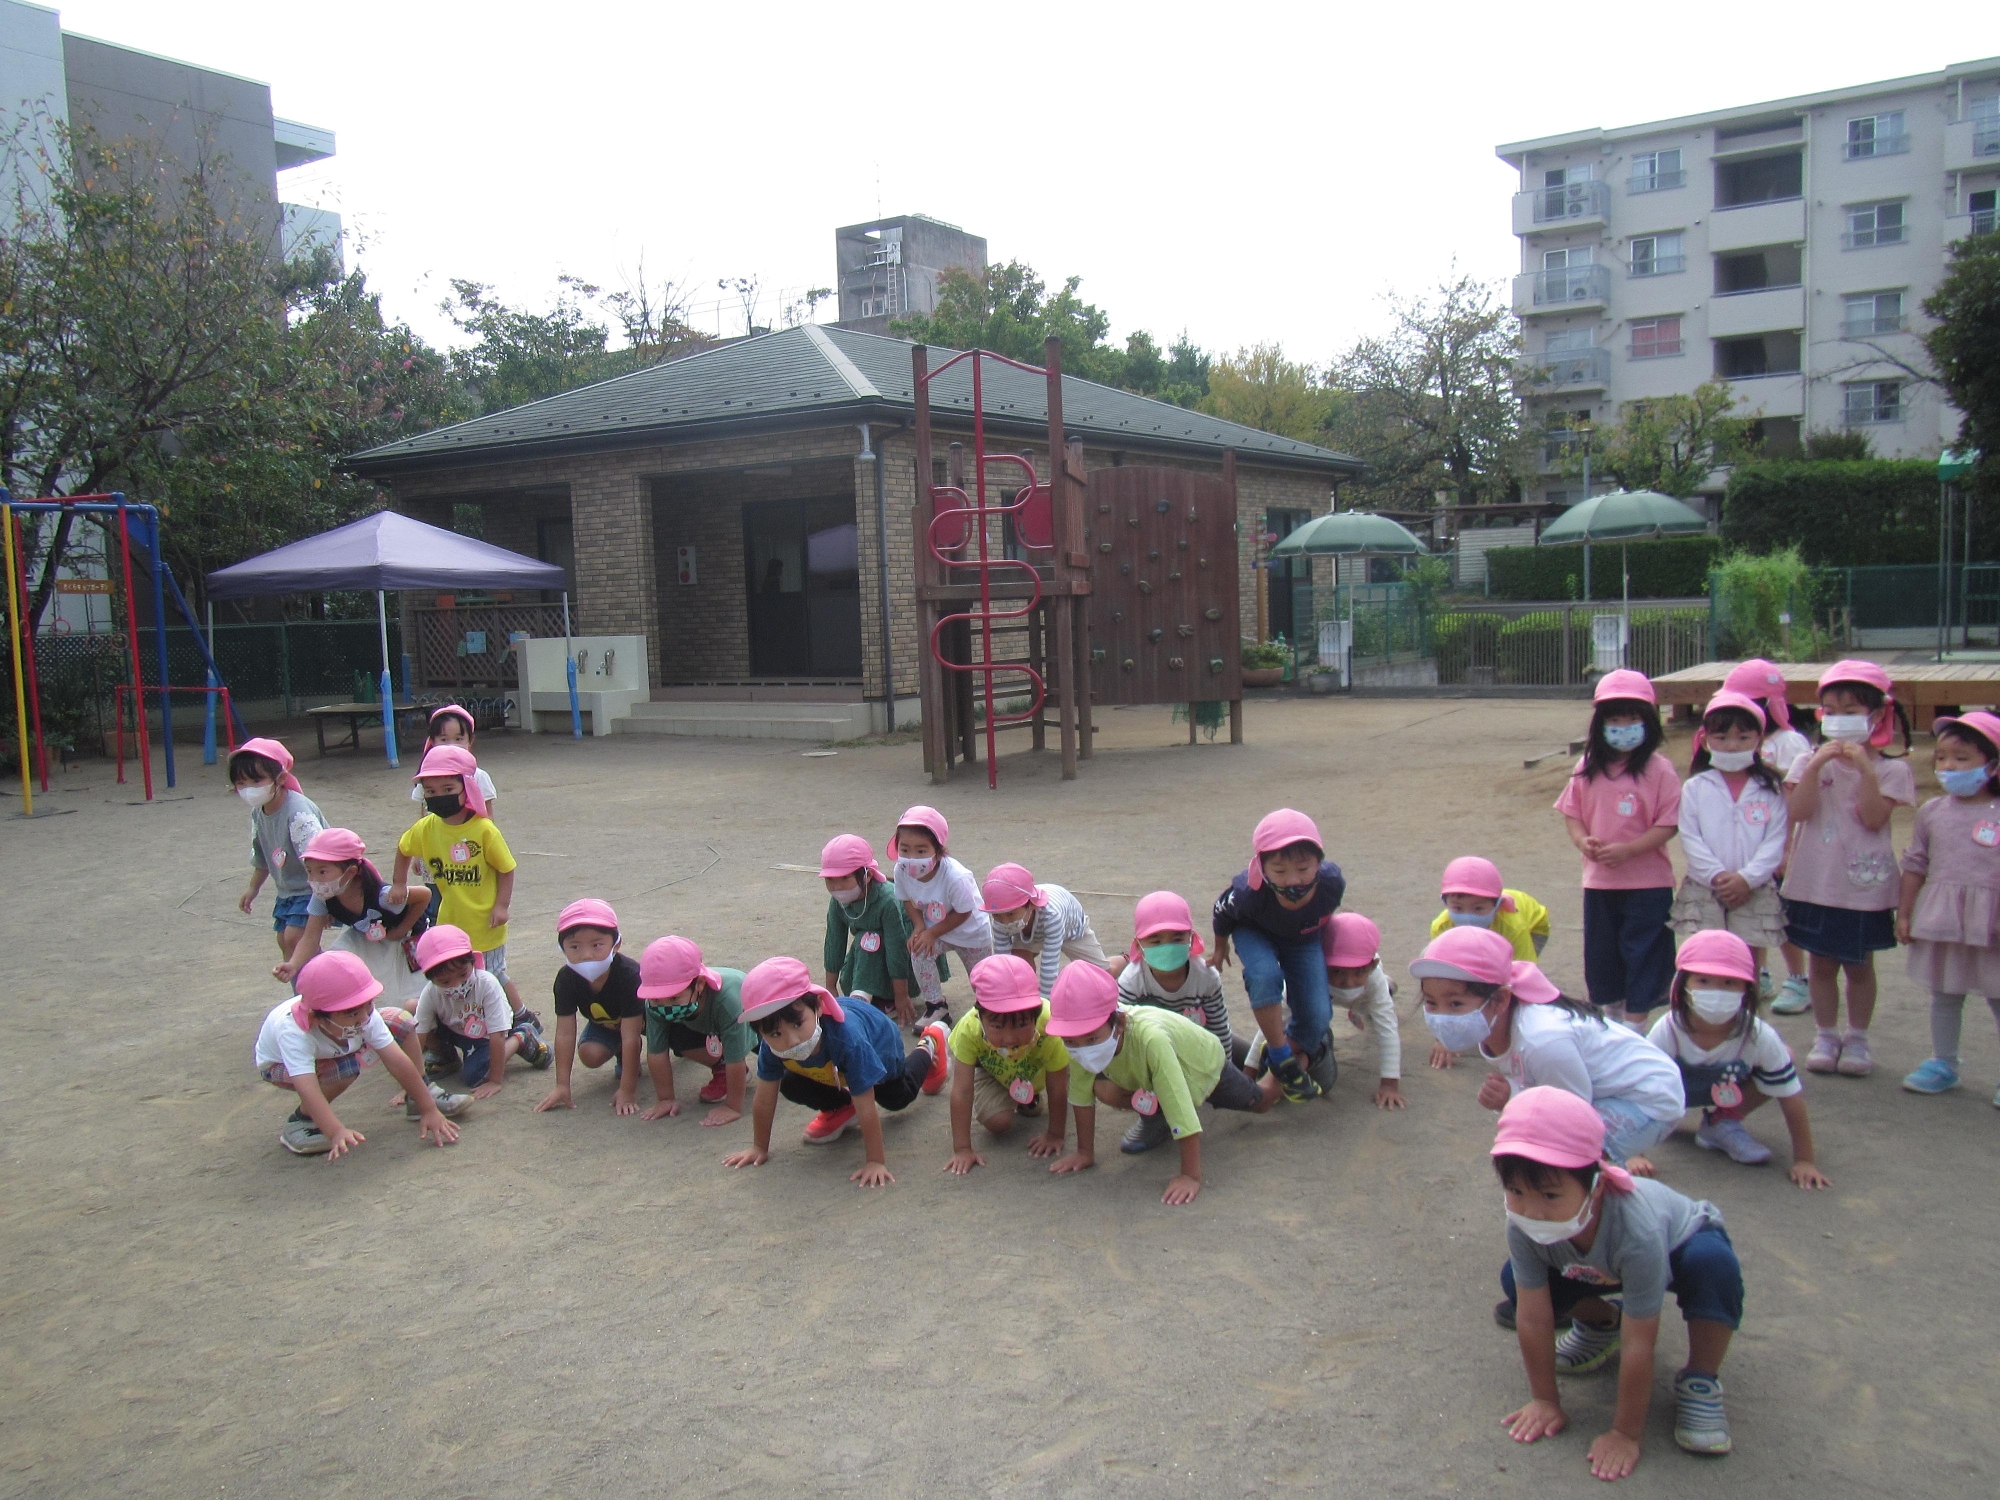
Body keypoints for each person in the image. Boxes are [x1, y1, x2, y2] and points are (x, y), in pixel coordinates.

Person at [1493, 1087, 1743, 1476]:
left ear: (1598, 1186)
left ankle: (1700, 1379)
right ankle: (1601, 1322)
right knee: (1518, 1281)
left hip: (1681, 1244)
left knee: (1714, 1267)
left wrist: (1625, 1433)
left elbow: (1640, 1340)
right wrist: (1544, 1399)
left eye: (1550, 1194)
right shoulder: (1523, 1225)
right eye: (1515, 1191)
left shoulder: (1636, 1232)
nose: (1532, 1210)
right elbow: (1533, 1318)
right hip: (1593, 1264)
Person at [1414, 926, 1682, 1169]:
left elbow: (1571, 1111)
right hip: (1607, 1090)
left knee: (1568, 1155)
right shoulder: (1500, 1023)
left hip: (1648, 1098)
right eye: (1431, 1003)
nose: (1441, 1016)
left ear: (1500, 1000)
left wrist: (1512, 1096)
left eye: (1456, 1004)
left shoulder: (1542, 1039)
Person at [1780, 660, 1916, 1077]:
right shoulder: (1808, 762)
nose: (1840, 720)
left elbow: (1873, 818)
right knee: (1820, 964)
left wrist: (1866, 771)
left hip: (1862, 886)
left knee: (1859, 965)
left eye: (1852, 711)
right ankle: (1826, 1033)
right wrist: (1817, 765)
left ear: (1876, 716)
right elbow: (1798, 811)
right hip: (1814, 882)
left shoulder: (1893, 768)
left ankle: (1857, 1037)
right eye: (1831, 711)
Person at [1046, 962, 1279, 1207]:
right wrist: (1085, 1152)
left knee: (1261, 1101)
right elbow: (1081, 1094)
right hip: (1156, 1072)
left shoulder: (1151, 1040)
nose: (1082, 1047)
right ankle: (1158, 1119)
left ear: (1120, 1023)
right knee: (1105, 1089)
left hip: (1204, 1067)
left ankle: (1292, 1056)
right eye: (1070, 1040)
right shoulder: (1081, 1041)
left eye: (1092, 1038)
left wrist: (1190, 1175)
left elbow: (1178, 1101)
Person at [721, 957, 949, 1185]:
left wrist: (875, 1161)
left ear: (818, 1006)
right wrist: (759, 1147)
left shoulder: (848, 1040)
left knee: (897, 1097)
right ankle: (841, 1108)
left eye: (798, 1024)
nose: (791, 1040)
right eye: (775, 1034)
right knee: (790, 1083)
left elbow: (867, 1104)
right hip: (832, 1067)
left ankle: (929, 1044)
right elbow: (764, 1098)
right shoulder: (772, 1048)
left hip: (879, 1044)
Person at [1646, 930, 1828, 1187]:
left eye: (1729, 983)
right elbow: (1640, 1087)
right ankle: (1664, 1120)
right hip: (1672, 1095)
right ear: (1683, 985)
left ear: (1747, 988)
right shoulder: (1669, 1029)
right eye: (1703, 981)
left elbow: (1790, 1097)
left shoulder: (1757, 1034)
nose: (1716, 991)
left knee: (1781, 1060)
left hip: (1729, 1090)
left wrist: (1805, 1160)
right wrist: (1633, 1153)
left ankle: (1722, 1122)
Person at [1555, 669, 1680, 1027]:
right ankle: (1611, 1020)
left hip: (1648, 883)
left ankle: (1636, 1025)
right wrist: (1583, 841)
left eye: (1633, 719)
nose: (1623, 727)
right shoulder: (1587, 767)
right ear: (1600, 723)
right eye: (1614, 719)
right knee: (1603, 955)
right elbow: (1572, 813)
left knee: (1644, 953)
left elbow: (1668, 823)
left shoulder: (1660, 770)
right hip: (1600, 883)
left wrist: (1631, 850)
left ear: (1649, 722)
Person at [253, 950, 465, 1157]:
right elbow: (306, 1087)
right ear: (316, 1017)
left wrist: (428, 1109)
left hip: (341, 1042)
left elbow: (397, 1060)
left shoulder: (360, 1013)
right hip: (280, 1066)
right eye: (353, 1012)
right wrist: (335, 1131)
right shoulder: (294, 1032)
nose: (365, 1017)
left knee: (400, 1021)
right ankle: (301, 1121)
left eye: (369, 1005)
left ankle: (418, 1096)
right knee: (344, 1069)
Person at [1896, 711, 2000, 1103]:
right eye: (1942, 758)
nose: (1949, 767)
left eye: (1962, 758)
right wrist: (1904, 913)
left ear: (1992, 765)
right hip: (1945, 921)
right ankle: (1944, 1062)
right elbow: (1915, 865)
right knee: (1945, 992)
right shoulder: (1933, 812)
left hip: (1993, 922)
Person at [1211, 808, 1345, 1103]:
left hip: (1302, 938)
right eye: (1280, 871)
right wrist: (1220, 947)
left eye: (1303, 868)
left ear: (1319, 863)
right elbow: (1222, 909)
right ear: (1261, 867)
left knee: (1318, 1015)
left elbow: (1324, 917)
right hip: (1254, 930)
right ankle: (1283, 1058)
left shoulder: (1332, 884)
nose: (1292, 880)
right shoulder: (1249, 893)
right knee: (1264, 975)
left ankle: (1277, 1054)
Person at [388, 744, 527, 1026]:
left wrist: (501, 905)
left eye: (447, 789)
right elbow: (404, 848)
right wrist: (399, 883)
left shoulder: (484, 829)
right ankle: (471, 1025)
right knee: (456, 977)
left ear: (466, 788)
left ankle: (519, 1016)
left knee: (492, 974)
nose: (438, 797)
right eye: (430, 791)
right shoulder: (427, 827)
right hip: (450, 922)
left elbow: (506, 868)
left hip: (486, 922)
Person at [1669, 692, 1790, 989]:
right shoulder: (1696, 787)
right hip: (1705, 886)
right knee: (1707, 955)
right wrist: (1718, 876)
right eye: (1721, 737)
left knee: (1748, 958)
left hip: (1754, 888)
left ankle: (1746, 1015)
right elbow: (1690, 836)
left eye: (1743, 737)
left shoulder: (1771, 789)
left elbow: (1775, 840)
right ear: (1706, 739)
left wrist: (1747, 879)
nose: (1732, 745)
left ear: (1759, 740)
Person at [1116, 890, 1240, 1153]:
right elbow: (1126, 1039)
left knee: (1249, 1092)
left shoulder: (1205, 976)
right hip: (1154, 1050)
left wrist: (1222, 1072)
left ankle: (1268, 1062)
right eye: (1155, 940)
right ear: (1138, 945)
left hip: (1200, 1043)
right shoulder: (1131, 980)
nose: (1167, 946)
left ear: (1192, 938)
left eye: (1177, 938)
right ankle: (1154, 1118)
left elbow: (1218, 1025)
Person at [1723, 659, 1814, 1009]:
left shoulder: (1788, 742)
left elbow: (1791, 800)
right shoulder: (1739, 742)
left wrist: (1786, 849)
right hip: (1747, 846)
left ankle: (1798, 978)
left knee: (1782, 917)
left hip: (1775, 847)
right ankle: (1758, 972)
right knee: (1752, 915)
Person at [941, 955, 1071, 1174]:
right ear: (980, 1016)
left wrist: (1055, 1134)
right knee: (998, 1122)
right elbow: (962, 1091)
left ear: (1035, 1013)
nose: (1010, 1038)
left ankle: (1028, 1098)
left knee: (1051, 1092)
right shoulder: (968, 1029)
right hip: (992, 1072)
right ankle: (1022, 1098)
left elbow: (1058, 1089)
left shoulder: (1052, 1024)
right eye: (998, 1027)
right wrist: (962, 1148)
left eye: (1021, 1024)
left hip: (1037, 1073)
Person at [274, 827, 433, 1005]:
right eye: (310, 871)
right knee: (340, 959)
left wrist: (401, 929)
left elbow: (424, 896)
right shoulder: (323, 897)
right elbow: (310, 937)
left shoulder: (382, 896)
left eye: (322, 872)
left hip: (404, 941)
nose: (314, 879)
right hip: (368, 939)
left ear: (350, 872)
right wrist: (294, 964)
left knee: (407, 999)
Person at [410, 923, 550, 1099]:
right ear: (430, 978)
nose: (457, 985)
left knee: (474, 1077)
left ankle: (520, 1038)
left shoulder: (486, 984)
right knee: (410, 1014)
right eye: (445, 982)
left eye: (463, 974)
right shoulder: (430, 992)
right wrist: (411, 1085)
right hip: (455, 1028)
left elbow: (497, 1034)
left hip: (485, 1034)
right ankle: (446, 1058)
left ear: (472, 962)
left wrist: (495, 1080)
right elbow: (419, 1035)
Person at [534, 898, 644, 1117]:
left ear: (616, 944)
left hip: (647, 1020)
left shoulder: (630, 975)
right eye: (575, 946)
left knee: (667, 1039)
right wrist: (562, 1086)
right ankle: (623, 1056)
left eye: (597, 945)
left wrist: (627, 1090)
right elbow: (565, 1033)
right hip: (610, 1026)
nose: (586, 955)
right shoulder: (566, 979)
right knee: (590, 1054)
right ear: (562, 948)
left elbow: (631, 1035)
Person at [889, 805, 993, 1029]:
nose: (911, 858)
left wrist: (932, 932)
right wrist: (919, 927)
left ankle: (989, 1010)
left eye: (921, 850)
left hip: (971, 931)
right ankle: (936, 1005)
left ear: (938, 850)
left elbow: (964, 911)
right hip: (935, 928)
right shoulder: (900, 870)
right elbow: (907, 899)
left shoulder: (956, 876)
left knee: (984, 979)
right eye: (904, 849)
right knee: (919, 951)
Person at [228, 737, 327, 967]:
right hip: (288, 891)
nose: (249, 789)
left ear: (280, 778)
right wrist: (253, 888)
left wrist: (327, 899)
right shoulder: (259, 812)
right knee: (284, 941)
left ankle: (323, 990)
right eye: (241, 783)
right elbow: (261, 855)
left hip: (312, 888)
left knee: (296, 938)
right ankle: (304, 994)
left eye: (256, 780)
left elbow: (320, 859)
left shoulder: (298, 812)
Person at [635, 935, 753, 1127]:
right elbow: (656, 1051)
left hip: (753, 1019)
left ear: (699, 984)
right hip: (704, 1025)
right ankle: (720, 1068)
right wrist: (665, 1098)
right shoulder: (654, 1003)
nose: (664, 1006)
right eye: (657, 1000)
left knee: (782, 1061)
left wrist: (732, 1106)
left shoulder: (728, 1002)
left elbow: (736, 1059)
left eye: (674, 998)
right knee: (675, 1034)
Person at [818, 834, 916, 1027]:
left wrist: (901, 996)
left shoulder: (888, 899)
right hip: (867, 962)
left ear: (867, 875)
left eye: (845, 878)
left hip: (905, 968)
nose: (837, 887)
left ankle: (879, 1000)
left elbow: (897, 949)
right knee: (866, 940)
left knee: (869, 937)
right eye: (830, 879)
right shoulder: (838, 901)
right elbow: (834, 941)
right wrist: (830, 988)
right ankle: (865, 996)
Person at [980, 862, 1113, 998]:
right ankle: (1026, 998)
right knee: (1018, 968)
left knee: (1103, 977)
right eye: (997, 915)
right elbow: (1003, 962)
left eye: (1010, 914)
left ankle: (1124, 959)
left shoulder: (1052, 916)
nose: (1005, 922)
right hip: (1026, 929)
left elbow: (1049, 967)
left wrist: (1046, 1005)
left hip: (1071, 930)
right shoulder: (1000, 918)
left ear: (1031, 904)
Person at [1321, 912, 1404, 1110]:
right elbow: (1276, 1016)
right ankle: (1362, 1002)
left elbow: (1388, 1028)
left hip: (1366, 992)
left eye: (1359, 971)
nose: (1349, 982)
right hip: (1325, 993)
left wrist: (1389, 1084)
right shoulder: (1308, 974)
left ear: (1373, 966)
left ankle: (1378, 993)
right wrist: (1251, 1070)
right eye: (1339, 971)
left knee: (1376, 1005)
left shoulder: (1373, 978)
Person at [1428, 856, 1552, 959]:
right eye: (1458, 908)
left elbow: (1525, 970)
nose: (1468, 916)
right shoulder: (1441, 927)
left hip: (1533, 928)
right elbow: (1441, 963)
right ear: (1446, 903)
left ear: (1497, 906)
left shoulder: (1514, 927)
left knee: (1507, 968)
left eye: (1478, 909)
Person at [406, 704, 498, 813]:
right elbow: (424, 814)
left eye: (458, 739)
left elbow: (487, 816)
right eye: (444, 740)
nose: (451, 746)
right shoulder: (426, 776)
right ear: (432, 742)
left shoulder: (478, 776)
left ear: (470, 741)